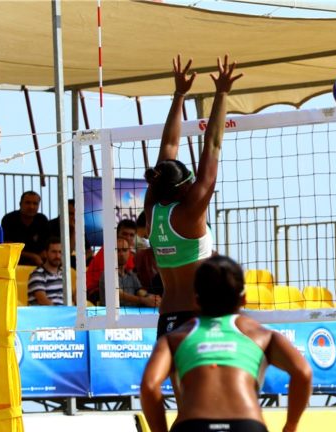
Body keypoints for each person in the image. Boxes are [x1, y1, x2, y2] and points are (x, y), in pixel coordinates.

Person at [140, 255, 312, 432]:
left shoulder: (176, 338)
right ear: (244, 298)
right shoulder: (261, 334)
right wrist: (290, 429)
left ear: (195, 299)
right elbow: (303, 373)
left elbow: (149, 386)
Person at [144, 54, 242, 338]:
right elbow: (212, 145)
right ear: (184, 188)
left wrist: (179, 95)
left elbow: (169, 146)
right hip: (197, 319)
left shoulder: (152, 207)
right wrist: (221, 94)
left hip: (167, 319)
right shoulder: (190, 213)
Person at [99, 237, 161, 308]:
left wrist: (152, 298)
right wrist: (144, 300)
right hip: (111, 312)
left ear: (129, 252)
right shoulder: (107, 274)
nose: (121, 254)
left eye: (124, 250)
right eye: (117, 251)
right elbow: (119, 294)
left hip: (131, 312)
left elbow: (140, 291)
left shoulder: (131, 274)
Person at [86, 218, 137, 303]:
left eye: (131, 235)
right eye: (124, 234)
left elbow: (131, 279)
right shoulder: (108, 250)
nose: (128, 238)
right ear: (117, 234)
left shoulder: (130, 254)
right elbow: (108, 282)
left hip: (118, 289)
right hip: (95, 291)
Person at [1, 191, 50, 266]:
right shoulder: (9, 219)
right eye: (28, 203)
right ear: (20, 204)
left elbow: (47, 245)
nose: (31, 207)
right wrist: (33, 256)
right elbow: (8, 247)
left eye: (35, 203)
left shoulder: (42, 220)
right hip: (14, 263)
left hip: (39, 262)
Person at [48, 199, 92, 269]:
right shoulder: (51, 226)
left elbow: (89, 251)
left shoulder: (79, 227)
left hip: (73, 260)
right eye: (70, 214)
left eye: (76, 214)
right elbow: (66, 253)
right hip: (57, 259)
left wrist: (81, 261)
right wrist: (74, 230)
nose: (74, 217)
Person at [27, 236, 65, 306]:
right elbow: (43, 301)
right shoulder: (37, 275)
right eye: (54, 252)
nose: (57, 256)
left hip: (65, 311)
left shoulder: (64, 274)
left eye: (60, 252)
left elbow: (73, 297)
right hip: (46, 312)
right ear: (45, 253)